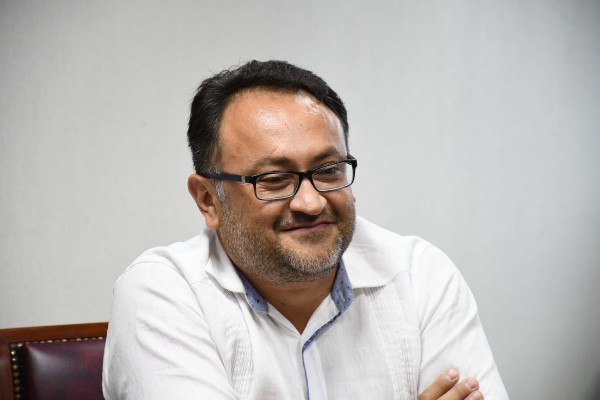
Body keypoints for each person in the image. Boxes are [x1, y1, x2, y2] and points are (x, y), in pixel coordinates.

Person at [102, 60, 508, 400]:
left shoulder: (420, 275)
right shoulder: (162, 291)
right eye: (274, 179)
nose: (311, 203)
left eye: (329, 170)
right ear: (208, 199)